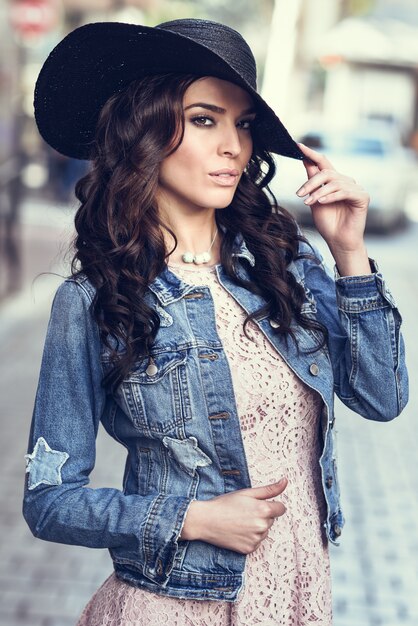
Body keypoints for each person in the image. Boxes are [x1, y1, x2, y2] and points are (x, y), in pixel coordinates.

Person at [23, 18, 408, 626]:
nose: (234, 145)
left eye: (243, 123)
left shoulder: (288, 266)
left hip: (298, 593)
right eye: (205, 119)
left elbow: (382, 398)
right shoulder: (95, 299)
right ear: (146, 130)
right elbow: (48, 502)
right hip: (175, 603)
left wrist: (350, 257)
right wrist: (193, 518)